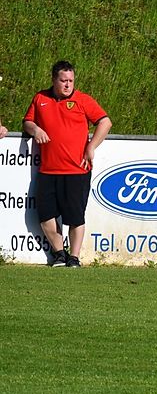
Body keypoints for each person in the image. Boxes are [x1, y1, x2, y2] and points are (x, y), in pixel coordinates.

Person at [23, 61, 111, 267]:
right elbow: (27, 122)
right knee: (46, 216)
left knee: (75, 217)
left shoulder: (83, 100)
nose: (68, 85)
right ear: (54, 80)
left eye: (71, 80)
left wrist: (91, 147)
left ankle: (74, 257)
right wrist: (36, 130)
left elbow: (105, 122)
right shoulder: (40, 98)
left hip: (77, 169)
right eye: (63, 80)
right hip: (48, 170)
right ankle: (59, 254)